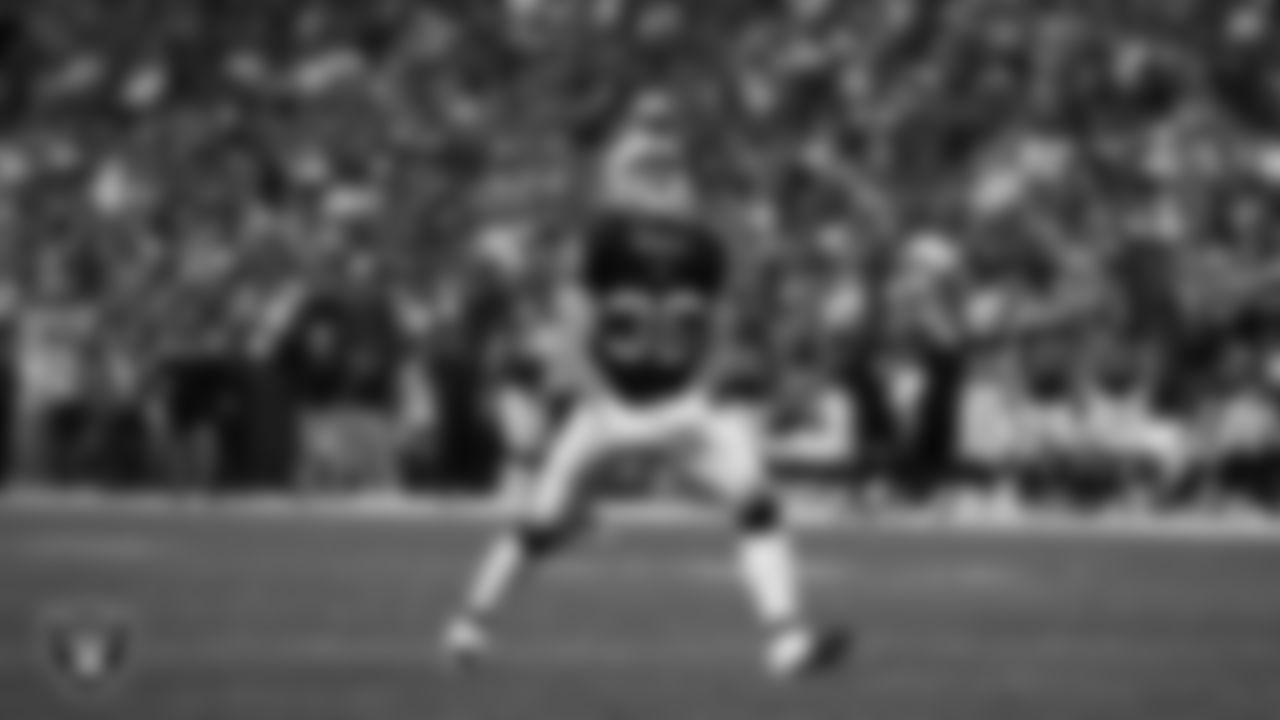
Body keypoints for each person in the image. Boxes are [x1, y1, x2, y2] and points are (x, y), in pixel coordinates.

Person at [440, 128, 847, 679]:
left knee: (749, 503)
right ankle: (785, 638)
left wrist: (603, 392)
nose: (668, 185)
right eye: (657, 175)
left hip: (636, 403)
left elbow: (585, 326)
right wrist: (684, 387)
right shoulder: (684, 245)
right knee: (547, 520)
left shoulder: (626, 241)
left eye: (665, 174)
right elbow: (710, 334)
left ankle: (470, 625)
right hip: (656, 401)